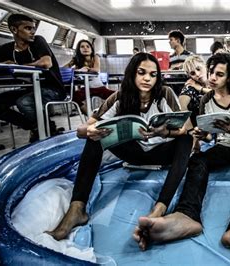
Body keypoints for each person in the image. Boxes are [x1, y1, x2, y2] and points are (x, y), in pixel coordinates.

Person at [133, 53, 230, 251]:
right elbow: (210, 136)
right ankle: (186, 215)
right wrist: (202, 136)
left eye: (219, 74)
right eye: (211, 72)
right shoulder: (207, 99)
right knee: (198, 160)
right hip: (224, 145)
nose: (212, 78)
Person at [47, 53, 193, 240]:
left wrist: (164, 133)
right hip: (133, 152)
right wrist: (91, 131)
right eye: (141, 72)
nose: (147, 78)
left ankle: (160, 207)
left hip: (160, 152)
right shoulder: (119, 97)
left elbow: (183, 128)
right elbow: (82, 129)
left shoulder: (164, 94)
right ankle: (77, 208)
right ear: (132, 73)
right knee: (95, 138)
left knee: (186, 140)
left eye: (153, 74)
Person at [0, 14, 65, 141]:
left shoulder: (38, 41)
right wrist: (3, 64)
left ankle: (45, 129)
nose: (32, 32)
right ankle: (35, 127)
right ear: (14, 30)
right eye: (27, 28)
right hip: (29, 90)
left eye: (33, 28)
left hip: (53, 89)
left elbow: (46, 62)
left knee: (24, 102)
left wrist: (19, 65)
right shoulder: (7, 49)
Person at [64, 39, 114, 114]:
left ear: (91, 49)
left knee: (117, 95)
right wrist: (77, 70)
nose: (85, 48)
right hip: (86, 89)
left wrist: (86, 69)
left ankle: (109, 114)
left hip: (99, 87)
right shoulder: (76, 60)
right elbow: (64, 69)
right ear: (79, 49)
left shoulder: (95, 57)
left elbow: (96, 69)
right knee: (74, 97)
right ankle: (90, 116)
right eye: (82, 47)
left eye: (88, 46)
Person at [180, 55, 211, 151]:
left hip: (214, 126)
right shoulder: (190, 87)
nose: (197, 74)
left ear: (205, 66)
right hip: (196, 127)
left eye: (198, 69)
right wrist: (192, 134)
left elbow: (221, 94)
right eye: (193, 73)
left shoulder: (215, 81)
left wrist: (200, 89)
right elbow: (182, 108)